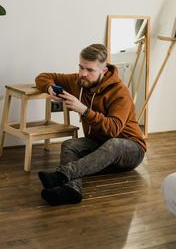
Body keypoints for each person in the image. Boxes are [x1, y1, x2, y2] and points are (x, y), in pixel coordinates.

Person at [35, 43, 146, 206]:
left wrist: (84, 110)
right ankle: (71, 190)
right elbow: (43, 76)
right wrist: (50, 87)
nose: (83, 74)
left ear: (104, 71)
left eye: (89, 70)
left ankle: (61, 175)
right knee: (70, 144)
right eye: (81, 67)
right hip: (100, 145)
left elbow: (114, 129)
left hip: (130, 149)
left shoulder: (120, 92)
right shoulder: (79, 81)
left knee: (113, 144)